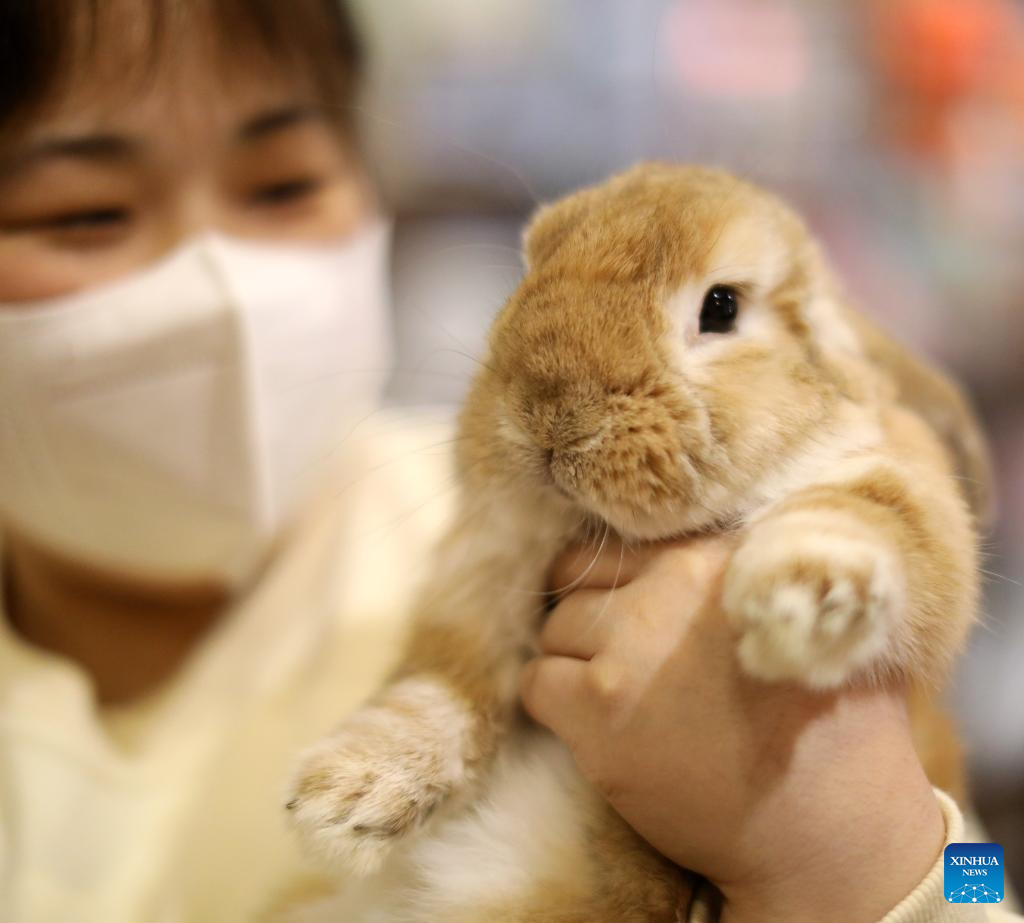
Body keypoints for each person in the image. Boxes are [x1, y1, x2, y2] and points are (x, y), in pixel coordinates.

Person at [0, 2, 1017, 921]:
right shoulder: (485, 506)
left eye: (282, 185)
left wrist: (858, 844)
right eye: (82, 211)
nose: (217, 281)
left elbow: (987, 879)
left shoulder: (828, 536)